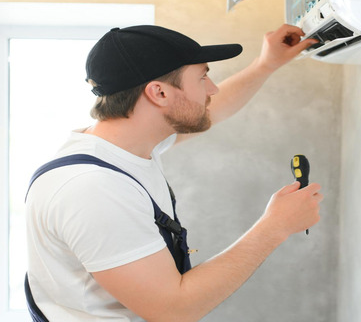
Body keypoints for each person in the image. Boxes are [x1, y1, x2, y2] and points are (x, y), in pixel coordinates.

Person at [25, 24, 323, 322]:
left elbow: (213, 109)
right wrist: (275, 227)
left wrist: (265, 65)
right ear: (159, 92)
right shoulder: (94, 190)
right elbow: (173, 309)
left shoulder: (125, 147)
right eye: (202, 77)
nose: (212, 89)